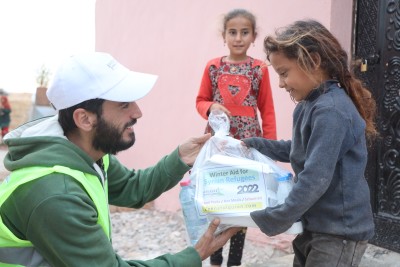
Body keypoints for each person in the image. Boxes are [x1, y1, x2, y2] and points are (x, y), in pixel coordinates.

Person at [0, 52, 240, 267]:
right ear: (84, 119)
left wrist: (180, 158)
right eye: (124, 104)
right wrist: (194, 256)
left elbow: (133, 188)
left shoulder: (85, 151)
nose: (137, 112)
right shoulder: (55, 194)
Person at [243, 20, 378, 267]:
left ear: (313, 61)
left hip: (339, 232)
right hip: (316, 225)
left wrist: (278, 217)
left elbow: (315, 177)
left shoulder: (332, 110)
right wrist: (253, 144)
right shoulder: (309, 106)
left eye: (284, 73)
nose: (281, 84)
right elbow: (298, 150)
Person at [195, 8, 277, 267]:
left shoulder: (259, 69)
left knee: (243, 201)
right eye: (233, 32)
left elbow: (267, 110)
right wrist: (211, 108)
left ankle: (235, 262)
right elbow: (200, 101)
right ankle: (215, 259)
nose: (238, 38)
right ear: (224, 35)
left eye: (244, 32)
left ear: (254, 36)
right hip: (219, 143)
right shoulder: (213, 67)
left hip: (247, 144)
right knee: (219, 197)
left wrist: (270, 148)